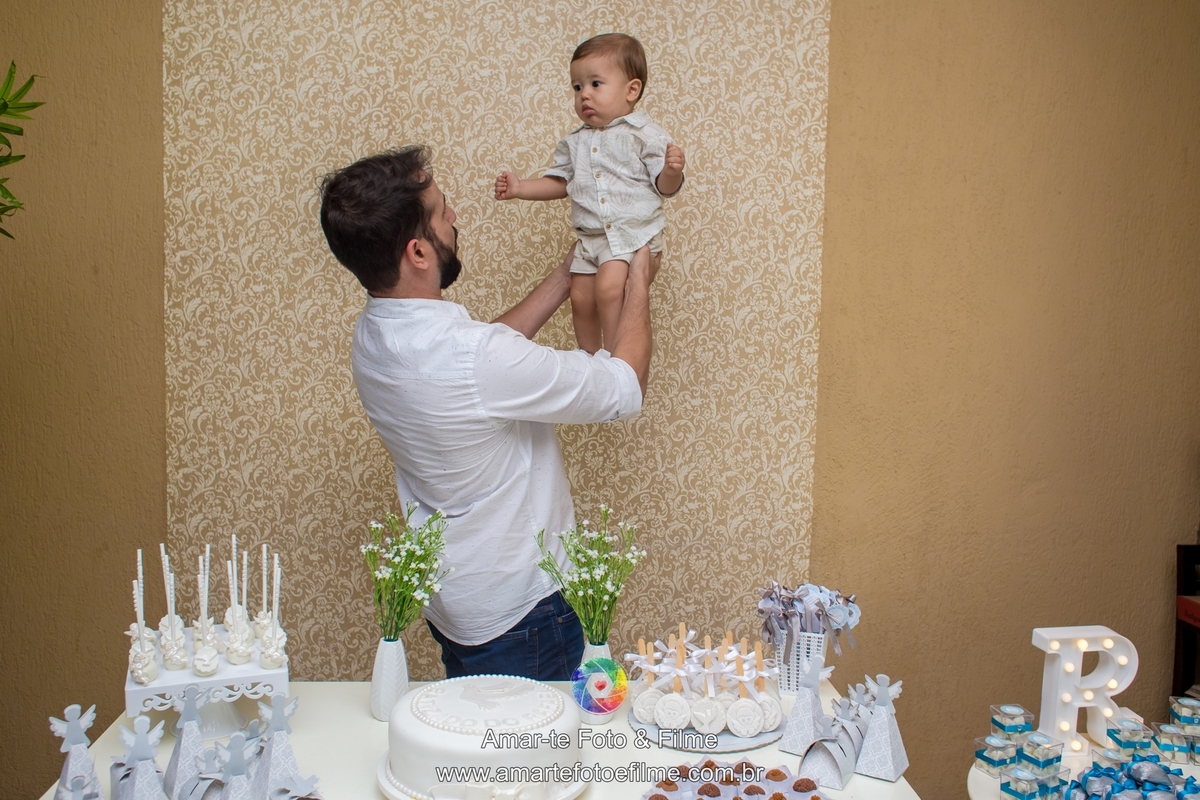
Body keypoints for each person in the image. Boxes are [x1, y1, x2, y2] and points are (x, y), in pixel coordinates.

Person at [319, 145, 658, 680]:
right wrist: (638, 280)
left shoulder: (373, 336)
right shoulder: (479, 360)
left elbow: (475, 359)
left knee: (482, 745)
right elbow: (622, 387)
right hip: (525, 612)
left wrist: (566, 275)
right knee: (530, 763)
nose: (454, 219)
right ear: (419, 253)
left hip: (456, 599)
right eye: (442, 212)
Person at [495, 32, 685, 354]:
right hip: (590, 237)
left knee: (610, 289)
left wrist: (671, 171)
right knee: (581, 296)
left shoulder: (645, 135)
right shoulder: (575, 141)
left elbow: (663, 188)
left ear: (631, 90)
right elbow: (559, 183)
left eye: (596, 84)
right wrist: (520, 188)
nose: (584, 95)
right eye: (577, 87)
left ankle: (615, 358)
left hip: (629, 235)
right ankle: (590, 358)